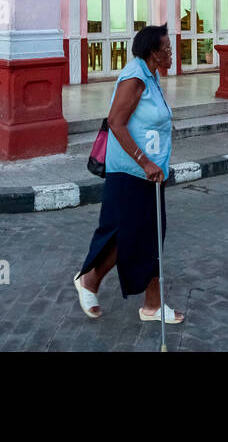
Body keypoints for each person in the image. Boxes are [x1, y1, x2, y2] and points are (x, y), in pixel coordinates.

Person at [75, 24, 183, 326]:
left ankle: (147, 303)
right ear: (153, 52)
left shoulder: (151, 75)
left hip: (149, 174)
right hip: (130, 172)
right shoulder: (135, 77)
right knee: (132, 235)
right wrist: (145, 161)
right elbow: (116, 122)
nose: (171, 51)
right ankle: (93, 281)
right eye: (167, 47)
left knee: (144, 236)